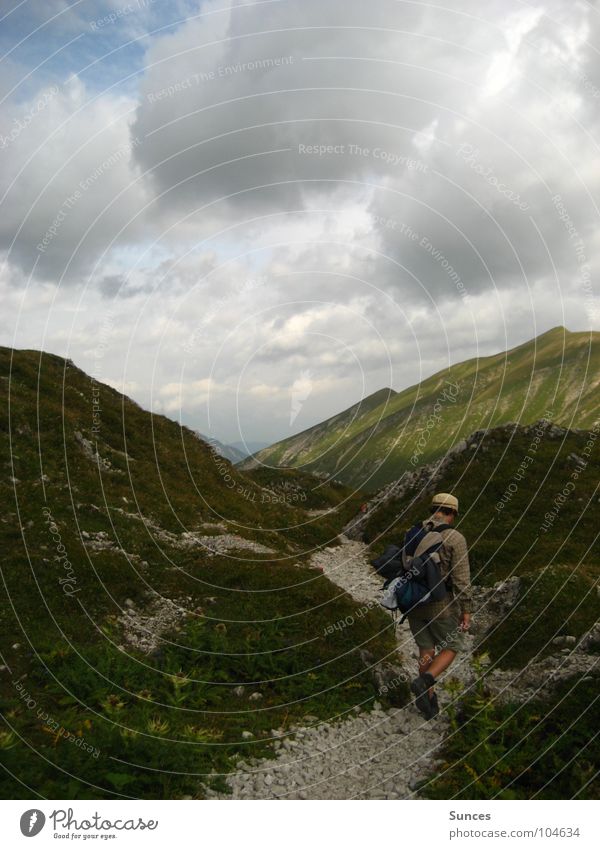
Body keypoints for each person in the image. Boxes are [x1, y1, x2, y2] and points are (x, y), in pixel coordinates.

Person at [408, 492, 472, 720]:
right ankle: (425, 682)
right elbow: (461, 579)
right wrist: (466, 610)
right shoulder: (455, 538)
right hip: (440, 604)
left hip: (412, 601)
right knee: (453, 644)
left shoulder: (413, 532)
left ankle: (428, 701)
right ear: (452, 513)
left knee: (426, 649)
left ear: (433, 509)